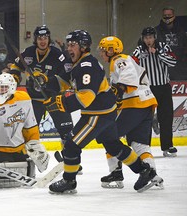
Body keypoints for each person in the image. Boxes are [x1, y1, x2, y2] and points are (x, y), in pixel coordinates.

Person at [42, 30, 160, 194]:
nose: (69, 48)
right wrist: (45, 81)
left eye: (73, 45)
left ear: (83, 47)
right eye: (68, 45)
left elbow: (86, 97)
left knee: (71, 144)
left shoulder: (87, 66)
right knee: (113, 144)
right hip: (106, 111)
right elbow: (64, 80)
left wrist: (60, 103)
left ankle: (69, 181)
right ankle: (144, 170)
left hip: (97, 114)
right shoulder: (80, 63)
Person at [97, 36, 163, 189]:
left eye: (103, 50)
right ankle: (153, 175)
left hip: (135, 104)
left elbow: (128, 75)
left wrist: (119, 90)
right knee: (139, 143)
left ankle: (116, 172)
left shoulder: (119, 59)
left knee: (108, 136)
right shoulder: (120, 60)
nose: (101, 53)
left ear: (111, 49)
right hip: (146, 104)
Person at [9, 25, 73, 148]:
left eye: (45, 38)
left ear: (49, 39)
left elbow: (66, 76)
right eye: (39, 38)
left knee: (67, 133)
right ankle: (28, 157)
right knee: (28, 133)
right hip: (35, 100)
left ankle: (70, 156)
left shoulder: (57, 55)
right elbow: (16, 66)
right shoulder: (28, 52)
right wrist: (15, 77)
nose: (42, 41)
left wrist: (48, 81)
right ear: (35, 40)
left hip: (55, 98)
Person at [132, 27, 177, 157]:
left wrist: (158, 54)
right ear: (142, 38)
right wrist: (140, 58)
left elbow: (173, 62)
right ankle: (146, 147)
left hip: (163, 87)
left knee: (166, 117)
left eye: (150, 37)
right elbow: (131, 64)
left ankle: (167, 146)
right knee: (146, 119)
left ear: (155, 37)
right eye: (146, 38)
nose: (148, 40)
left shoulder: (163, 47)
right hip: (147, 89)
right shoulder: (139, 49)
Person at [155, 6, 187, 80]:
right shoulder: (156, 31)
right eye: (165, 16)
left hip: (180, 68)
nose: (167, 18)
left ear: (174, 16)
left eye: (169, 15)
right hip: (162, 68)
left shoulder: (181, 31)